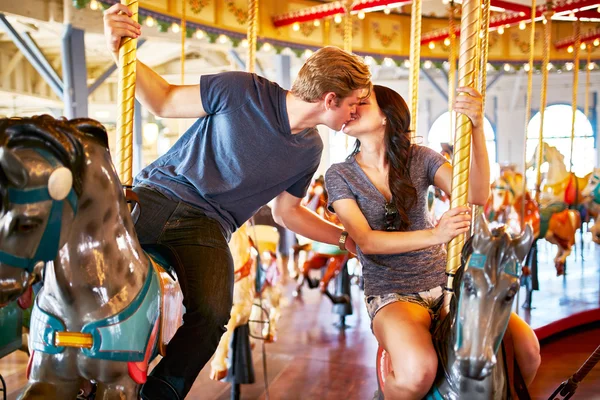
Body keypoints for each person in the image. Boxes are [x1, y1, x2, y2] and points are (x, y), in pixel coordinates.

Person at [103, 4, 371, 399]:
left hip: (208, 226)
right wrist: (118, 49)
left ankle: (161, 392)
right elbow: (161, 100)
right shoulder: (242, 89)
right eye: (355, 103)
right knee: (92, 266)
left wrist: (346, 237)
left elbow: (287, 213)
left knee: (212, 314)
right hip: (158, 193)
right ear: (331, 99)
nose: (356, 112)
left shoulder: (310, 149)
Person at [325, 85, 540, 399]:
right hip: (391, 291)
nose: (350, 110)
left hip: (445, 281)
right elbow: (366, 241)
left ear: (387, 115)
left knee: (527, 350)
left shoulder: (420, 158)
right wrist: (436, 235)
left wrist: (477, 128)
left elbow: (477, 194)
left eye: (362, 103)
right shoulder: (340, 174)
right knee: (418, 370)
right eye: (348, 105)